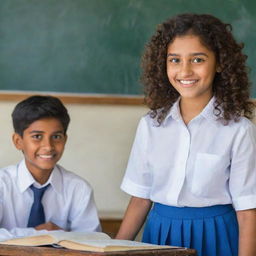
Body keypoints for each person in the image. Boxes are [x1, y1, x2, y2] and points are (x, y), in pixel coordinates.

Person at [116, 13, 256, 256]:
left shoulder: (239, 130)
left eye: (198, 59)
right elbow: (140, 199)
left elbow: (247, 212)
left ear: (220, 63)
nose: (185, 70)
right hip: (160, 235)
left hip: (217, 236)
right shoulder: (151, 125)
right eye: (175, 60)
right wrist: (113, 250)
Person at [0, 95, 101, 239]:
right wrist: (38, 234)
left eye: (56, 137)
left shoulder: (79, 189)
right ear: (18, 141)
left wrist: (64, 237)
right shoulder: (2, 184)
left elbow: (93, 242)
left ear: (65, 140)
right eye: (37, 136)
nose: (48, 146)